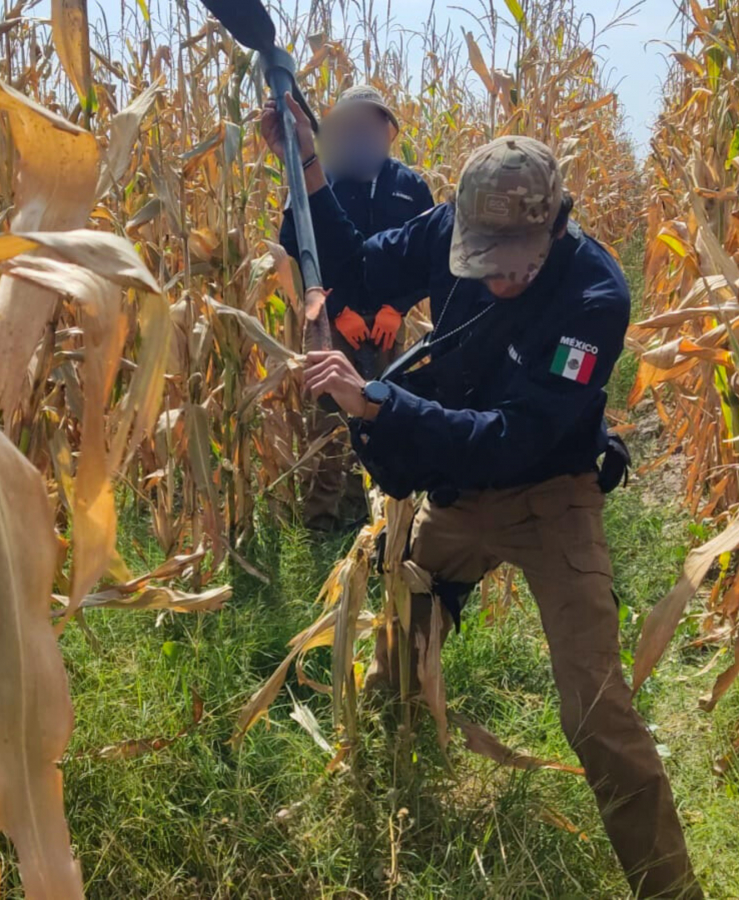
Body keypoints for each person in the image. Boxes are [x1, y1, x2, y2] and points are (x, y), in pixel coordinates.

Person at [261, 92, 703, 900]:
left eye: (514, 260)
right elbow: (357, 267)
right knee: (404, 630)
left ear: (557, 223)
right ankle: (402, 790)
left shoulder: (595, 299)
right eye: (480, 254)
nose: (495, 275)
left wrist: (379, 403)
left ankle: (670, 888)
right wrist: (310, 172)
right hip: (460, 493)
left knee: (596, 709)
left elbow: (515, 438)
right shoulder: (445, 226)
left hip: (549, 495)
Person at [278, 85, 434, 531]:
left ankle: (377, 517)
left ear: (389, 131)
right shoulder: (321, 179)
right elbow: (295, 248)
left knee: (383, 409)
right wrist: (338, 308)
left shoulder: (410, 187)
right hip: (332, 321)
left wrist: (396, 309)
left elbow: (429, 256)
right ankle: (323, 519)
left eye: (373, 124)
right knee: (329, 417)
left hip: (388, 326)